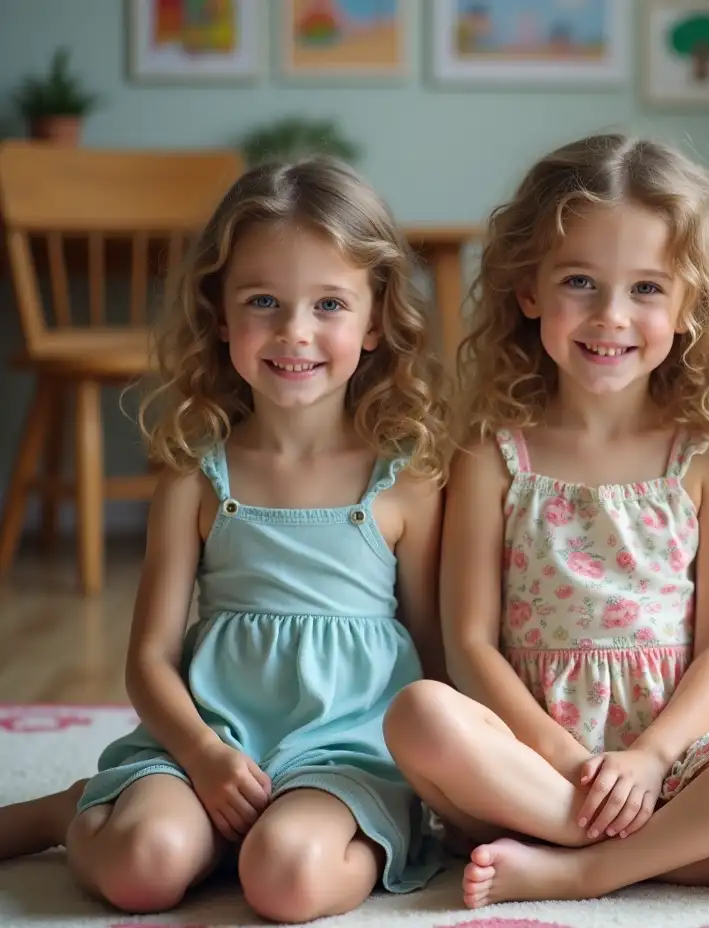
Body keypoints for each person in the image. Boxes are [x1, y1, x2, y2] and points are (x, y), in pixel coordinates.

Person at [383, 133, 709, 909]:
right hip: (537, 757)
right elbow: (469, 643)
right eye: (580, 281)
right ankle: (678, 850)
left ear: (688, 306)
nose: (611, 316)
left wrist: (648, 758)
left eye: (646, 288)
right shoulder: (490, 454)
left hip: (674, 750)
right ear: (528, 289)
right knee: (418, 714)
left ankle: (587, 867)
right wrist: (571, 762)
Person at [0, 158, 451, 923]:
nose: (293, 333)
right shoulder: (196, 475)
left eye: (330, 304)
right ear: (219, 313)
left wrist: (450, 791)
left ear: (375, 320)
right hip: (211, 739)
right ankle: (71, 811)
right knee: (145, 870)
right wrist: (205, 757)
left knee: (288, 882)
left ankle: (289, 844)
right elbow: (147, 658)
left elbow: (435, 650)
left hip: (347, 752)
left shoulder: (407, 480)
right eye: (263, 302)